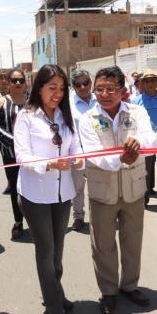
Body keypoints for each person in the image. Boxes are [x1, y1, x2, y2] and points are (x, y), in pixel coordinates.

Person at [79, 66, 157, 314]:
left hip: (134, 189)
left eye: (110, 88)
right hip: (103, 191)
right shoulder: (87, 119)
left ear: (122, 91)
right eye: (99, 89)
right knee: (103, 245)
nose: (104, 94)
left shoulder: (137, 112)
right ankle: (109, 291)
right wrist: (121, 159)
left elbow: (151, 141)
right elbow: (94, 155)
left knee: (133, 240)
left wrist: (139, 143)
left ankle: (130, 285)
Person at [14, 64, 83, 314]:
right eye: (52, 88)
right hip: (35, 195)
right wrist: (49, 163)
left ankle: (57, 292)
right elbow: (21, 155)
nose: (58, 94)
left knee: (58, 252)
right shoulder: (26, 116)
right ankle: (54, 305)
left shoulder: (66, 114)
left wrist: (78, 158)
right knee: (46, 251)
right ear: (39, 88)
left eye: (62, 89)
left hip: (63, 193)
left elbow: (75, 146)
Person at [0, 69, 27, 239]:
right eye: (14, 80)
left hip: (31, 155)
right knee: (15, 188)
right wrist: (15, 142)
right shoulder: (1, 102)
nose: (18, 84)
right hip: (10, 154)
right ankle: (18, 222)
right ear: (9, 83)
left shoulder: (33, 102)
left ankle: (36, 220)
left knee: (32, 187)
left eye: (21, 80)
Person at [131, 68, 157, 204]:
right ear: (142, 83)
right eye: (147, 80)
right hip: (145, 142)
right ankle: (144, 198)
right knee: (145, 171)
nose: (150, 83)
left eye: (153, 80)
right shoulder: (136, 101)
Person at [68, 69, 96, 231]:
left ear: (90, 84)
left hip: (97, 152)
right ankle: (78, 216)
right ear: (73, 86)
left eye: (86, 83)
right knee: (77, 188)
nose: (83, 87)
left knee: (97, 186)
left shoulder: (99, 99)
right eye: (78, 84)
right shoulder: (68, 104)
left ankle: (98, 216)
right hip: (77, 153)